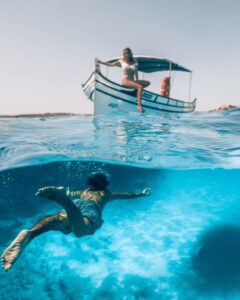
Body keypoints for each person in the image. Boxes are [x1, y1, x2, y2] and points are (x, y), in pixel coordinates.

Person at [1, 173, 151, 271]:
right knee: (80, 231)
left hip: (77, 203)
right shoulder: (108, 193)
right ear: (105, 183)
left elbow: (68, 192)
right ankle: (64, 202)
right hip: (90, 210)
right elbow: (128, 195)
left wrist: (62, 192)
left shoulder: (83, 191)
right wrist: (142, 194)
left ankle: (30, 234)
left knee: (57, 219)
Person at [98, 48, 150, 113]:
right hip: (125, 80)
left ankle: (136, 93)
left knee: (147, 83)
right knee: (140, 87)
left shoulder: (134, 61)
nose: (126, 54)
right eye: (125, 53)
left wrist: (137, 81)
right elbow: (111, 64)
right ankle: (139, 105)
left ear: (130, 53)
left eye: (127, 53)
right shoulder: (121, 61)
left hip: (132, 81)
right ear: (123, 54)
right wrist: (101, 62)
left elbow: (136, 72)